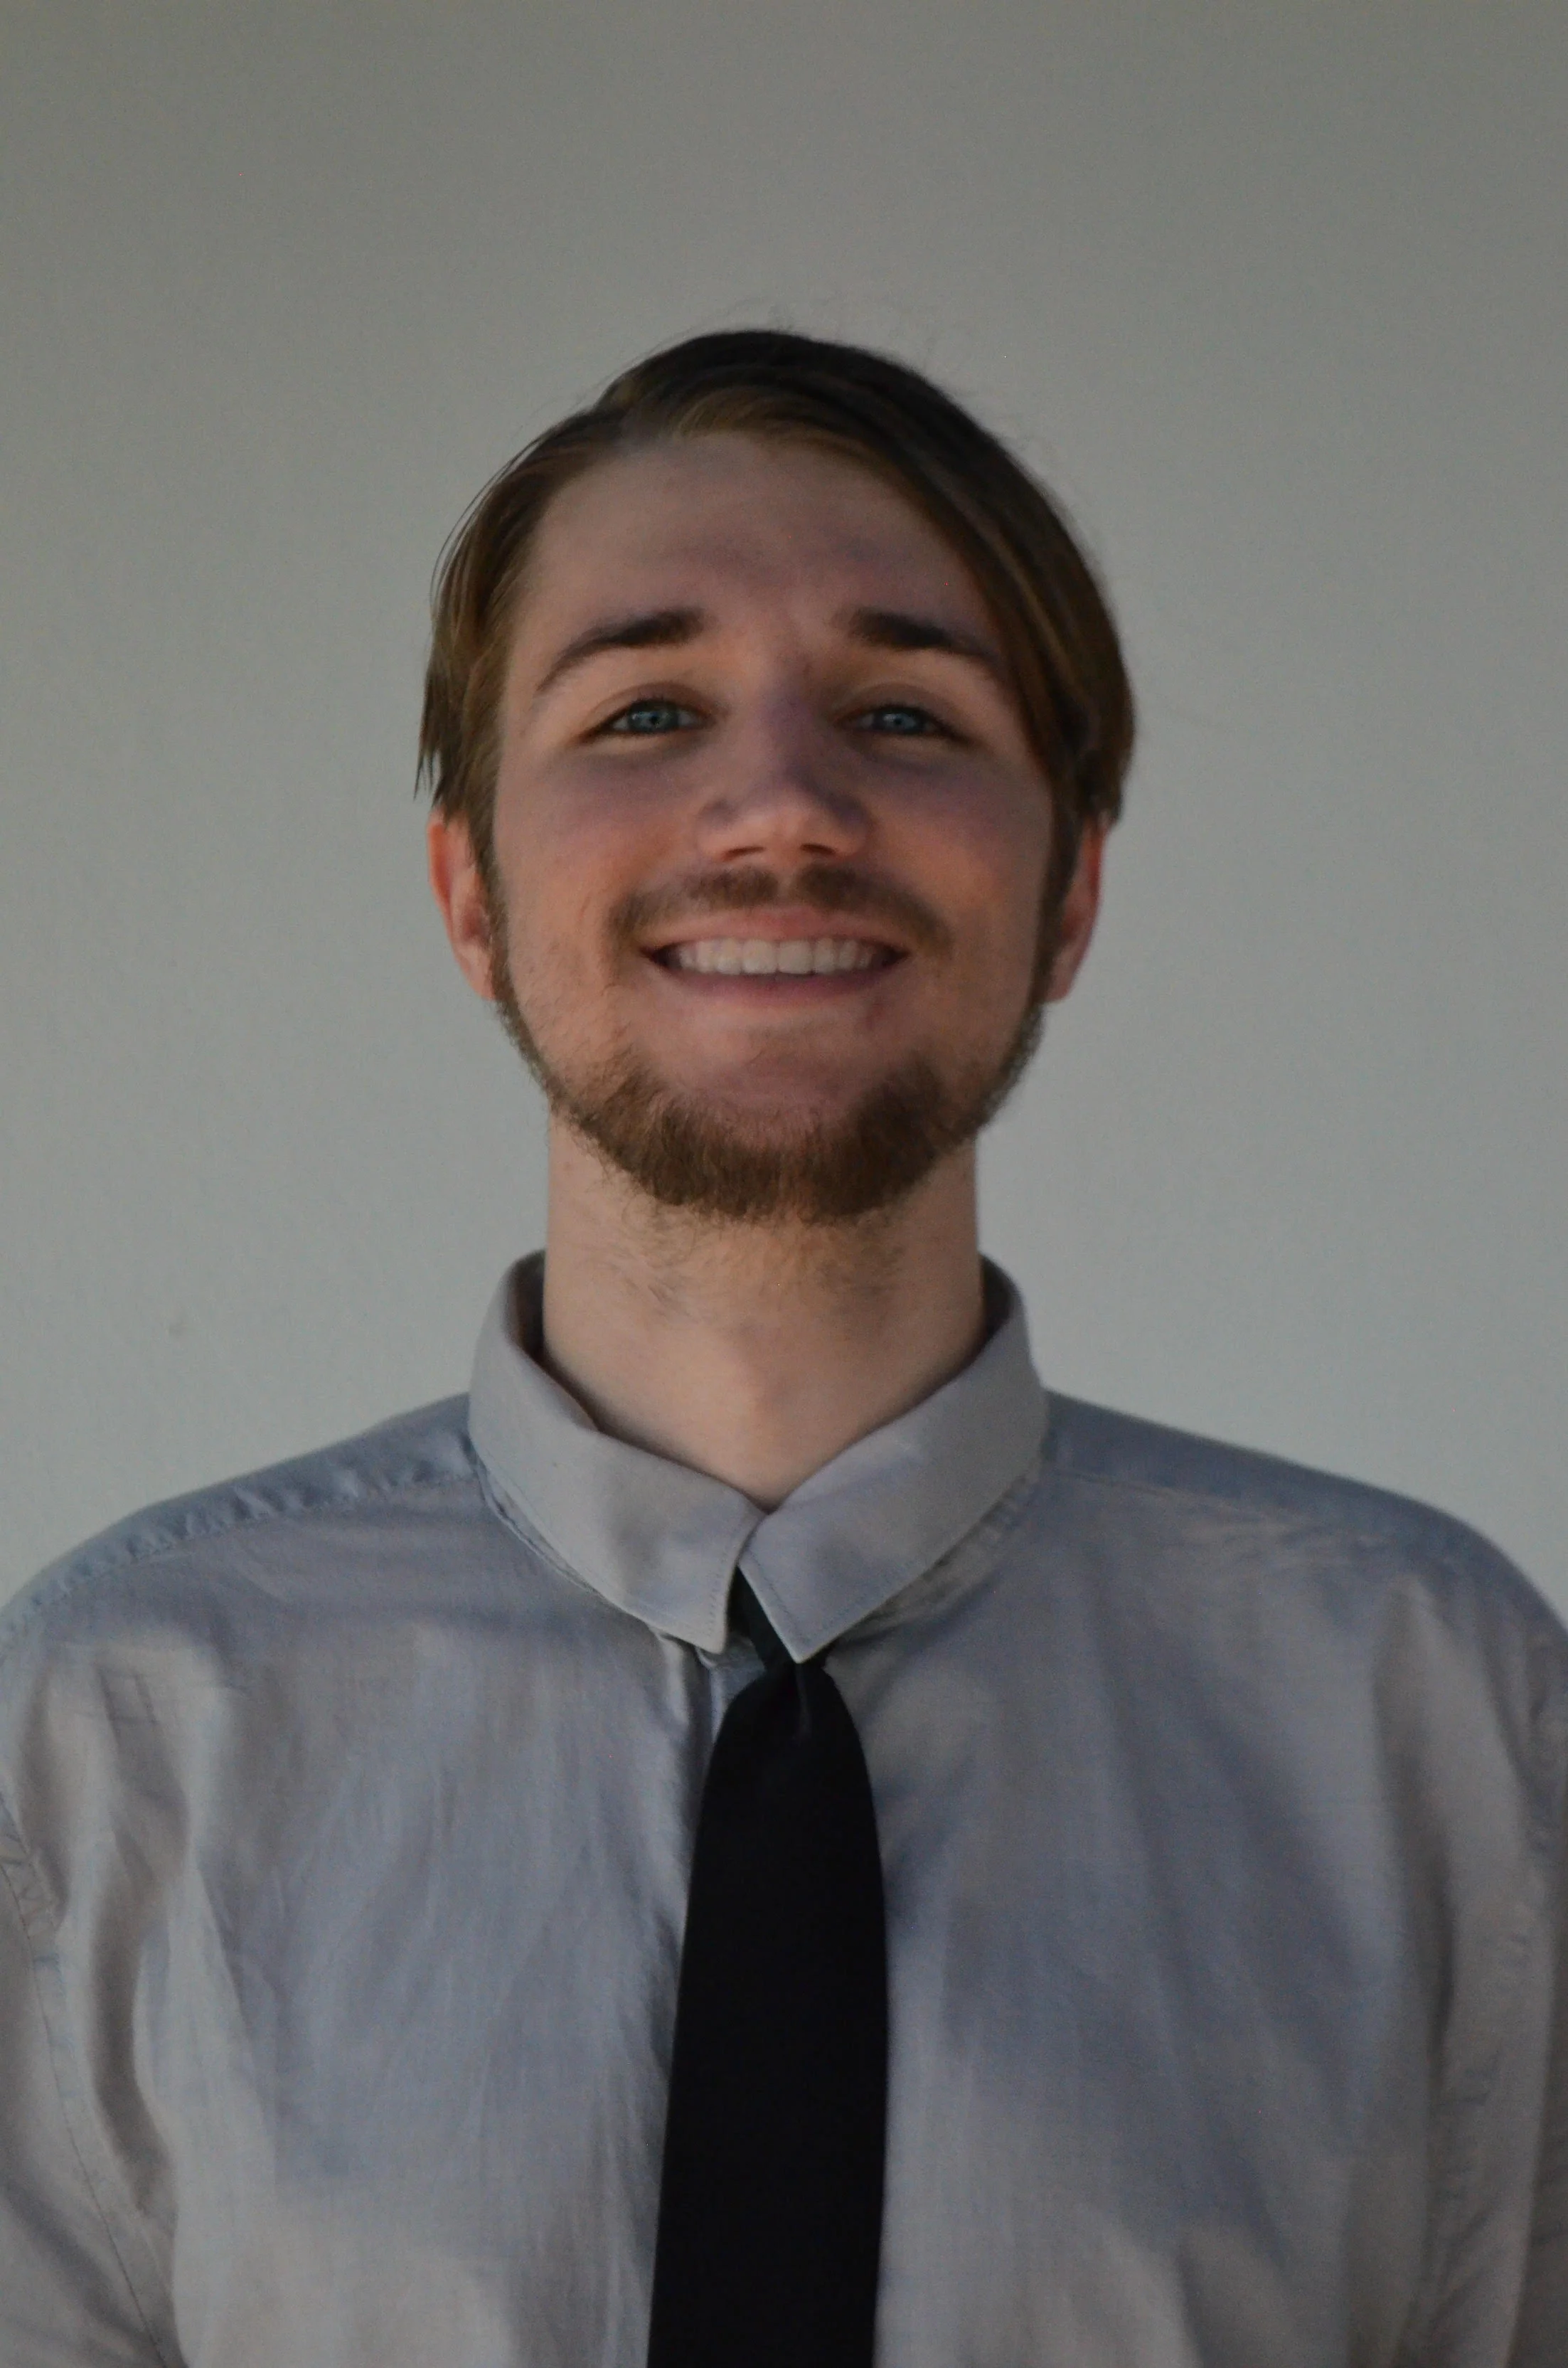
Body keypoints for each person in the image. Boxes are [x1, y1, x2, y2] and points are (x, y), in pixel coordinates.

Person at [1, 329, 1563, 2368]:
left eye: (905, 713)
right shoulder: (107, 1741)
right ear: (470, 893)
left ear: (1068, 894)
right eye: (645, 709)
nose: (783, 809)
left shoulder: (1438, 1717)